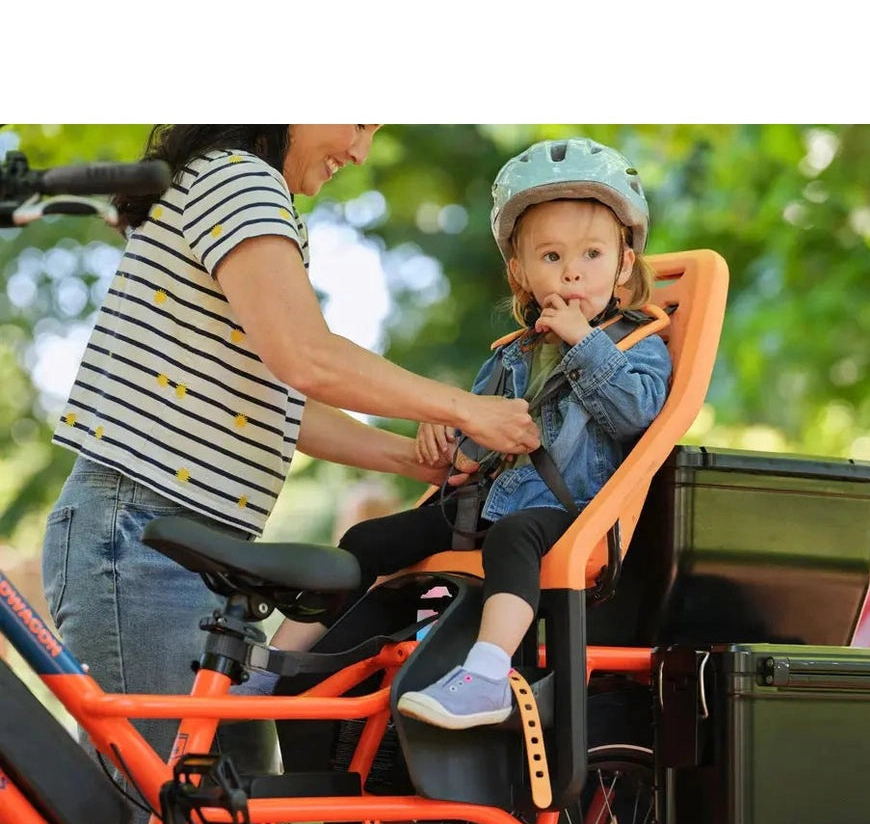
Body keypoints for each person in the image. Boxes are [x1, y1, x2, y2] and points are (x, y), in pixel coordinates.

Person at [40, 125, 540, 788]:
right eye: (358, 119)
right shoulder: (238, 180)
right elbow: (306, 356)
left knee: (226, 807)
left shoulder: (236, 188)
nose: (361, 151)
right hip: (140, 538)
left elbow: (276, 404)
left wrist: (415, 460)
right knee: (164, 810)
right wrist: (463, 407)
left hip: (176, 545)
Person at [270, 137, 673, 730]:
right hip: (486, 504)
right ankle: (276, 664)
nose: (573, 272)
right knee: (369, 538)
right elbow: (479, 434)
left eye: (591, 254)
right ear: (520, 271)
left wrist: (584, 342)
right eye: (552, 257)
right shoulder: (514, 353)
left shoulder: (639, 344)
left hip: (571, 515)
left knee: (514, 538)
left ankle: (485, 676)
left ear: (622, 266)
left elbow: (637, 414)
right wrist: (448, 433)